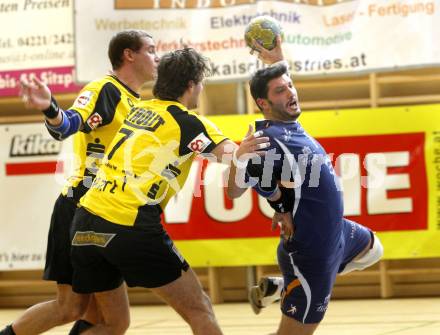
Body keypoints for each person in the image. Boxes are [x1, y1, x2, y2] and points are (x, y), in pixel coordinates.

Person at [68, 47, 269, 334]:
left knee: (113, 323)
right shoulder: (187, 123)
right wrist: (244, 154)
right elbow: (234, 166)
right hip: (129, 224)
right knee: (200, 309)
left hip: (85, 223)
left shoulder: (138, 111)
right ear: (191, 85)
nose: (201, 88)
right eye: (200, 82)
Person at [0, 29, 159, 335]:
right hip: (82, 205)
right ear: (129, 54)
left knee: (102, 317)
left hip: (109, 211)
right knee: (73, 308)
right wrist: (50, 108)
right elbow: (67, 125)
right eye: (151, 50)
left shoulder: (137, 103)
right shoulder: (104, 89)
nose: (157, 57)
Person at [228, 63, 384, 334]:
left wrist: (275, 54)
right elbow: (235, 190)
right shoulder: (266, 139)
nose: (290, 92)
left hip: (337, 233)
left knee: (374, 249)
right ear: (263, 103)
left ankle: (280, 287)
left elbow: (283, 182)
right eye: (280, 90)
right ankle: (293, 284)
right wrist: (239, 160)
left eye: (290, 85)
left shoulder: (290, 124)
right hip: (312, 252)